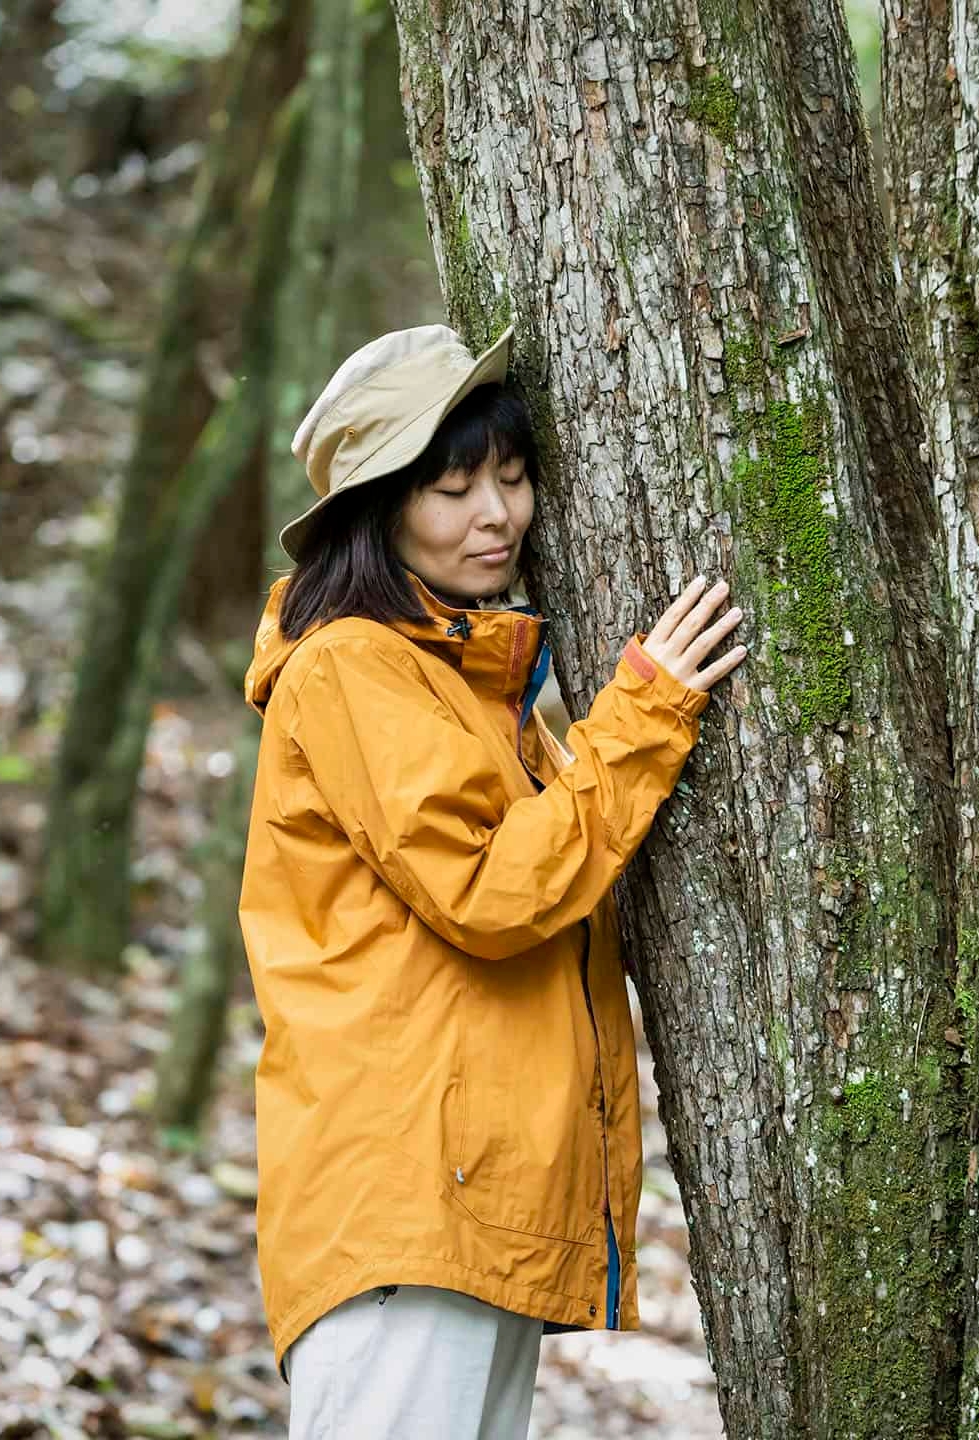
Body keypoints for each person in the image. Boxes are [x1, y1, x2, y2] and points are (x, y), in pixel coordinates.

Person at [236, 322, 747, 1438]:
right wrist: (647, 713)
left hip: (460, 1200)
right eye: (453, 488)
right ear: (379, 510)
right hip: (404, 1202)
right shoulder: (351, 668)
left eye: (511, 479)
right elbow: (492, 893)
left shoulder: (457, 679)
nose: (496, 515)